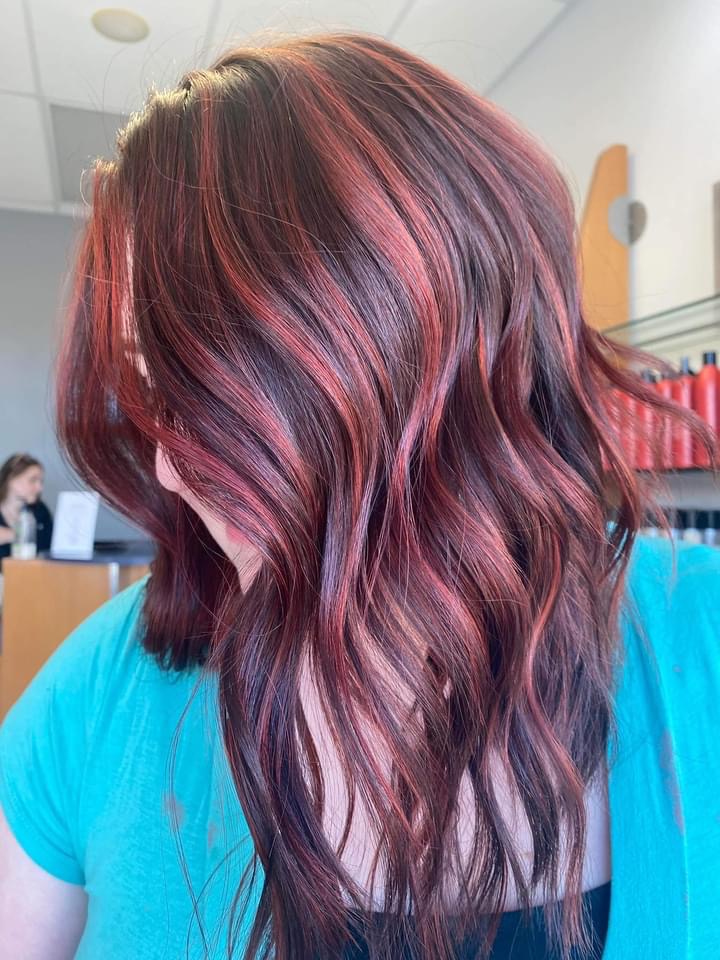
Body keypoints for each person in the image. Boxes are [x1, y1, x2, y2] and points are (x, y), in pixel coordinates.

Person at [0, 33, 718, 960]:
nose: (169, 471)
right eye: (152, 396)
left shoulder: (695, 640)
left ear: (426, 350)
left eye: (208, 392)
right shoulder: (102, 692)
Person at [0, 453, 54, 566]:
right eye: (33, 480)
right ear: (11, 480)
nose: (39, 488)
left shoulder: (40, 511)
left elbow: (50, 551)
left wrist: (13, 535)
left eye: (41, 481)